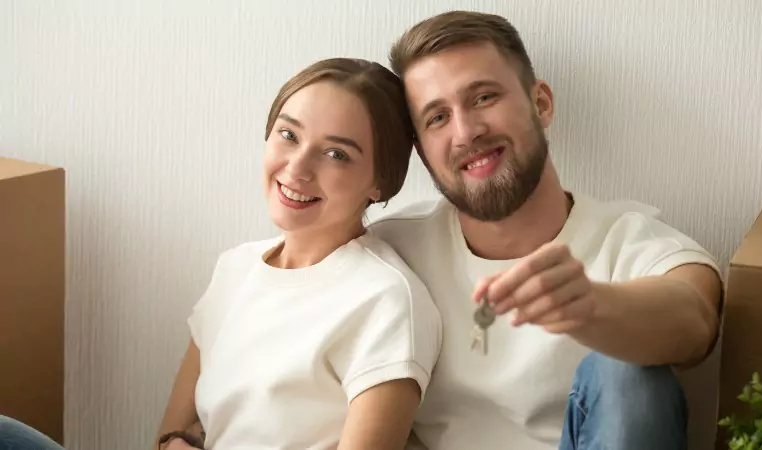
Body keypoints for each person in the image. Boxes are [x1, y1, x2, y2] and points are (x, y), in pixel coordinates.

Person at [366, 10, 724, 450]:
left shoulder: (625, 239)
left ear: (541, 104)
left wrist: (592, 307)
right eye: (437, 118)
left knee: (627, 369)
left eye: (483, 97)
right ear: (422, 151)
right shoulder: (391, 251)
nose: (466, 132)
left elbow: (696, 318)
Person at [154, 58, 442, 450]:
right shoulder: (235, 269)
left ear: (380, 181)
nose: (298, 168)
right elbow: (166, 438)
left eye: (337, 154)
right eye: (289, 134)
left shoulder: (386, 300)